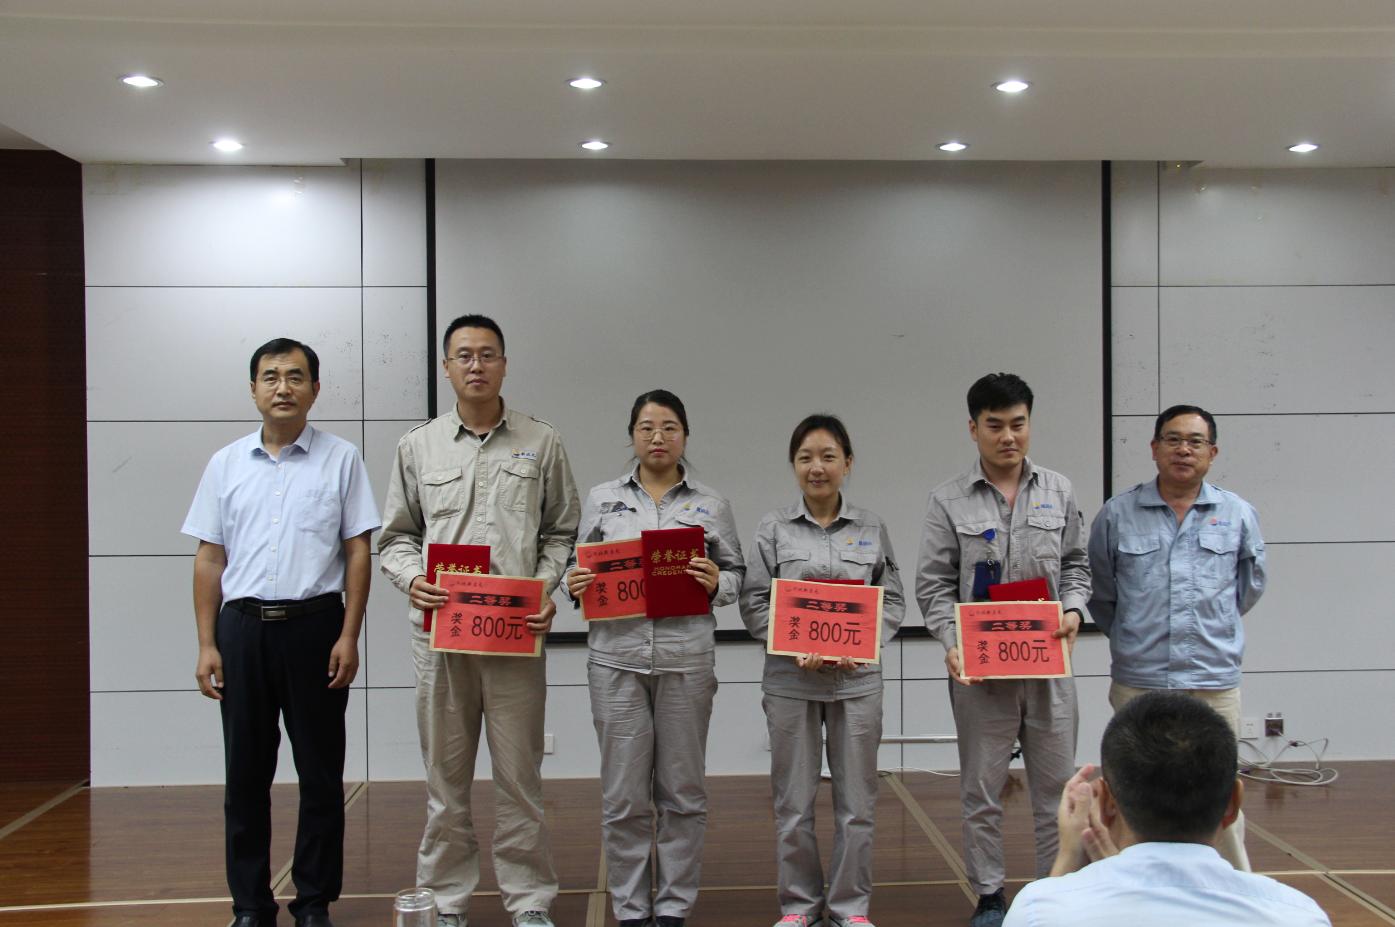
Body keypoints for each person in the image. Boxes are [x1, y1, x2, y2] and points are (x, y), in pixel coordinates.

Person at [379, 314, 580, 927]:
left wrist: (543, 587)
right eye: (463, 355)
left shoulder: (541, 441)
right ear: (446, 368)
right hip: (441, 640)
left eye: (487, 354)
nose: (475, 365)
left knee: (520, 779)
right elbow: (396, 538)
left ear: (504, 365)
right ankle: (445, 902)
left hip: (515, 637)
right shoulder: (418, 446)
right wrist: (412, 578)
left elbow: (561, 532)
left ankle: (530, 901)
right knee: (445, 781)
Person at [183, 338, 380, 927]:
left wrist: (349, 635)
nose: (282, 387)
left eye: (295, 376)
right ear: (253, 389)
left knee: (320, 774)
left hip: (315, 628)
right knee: (245, 775)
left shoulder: (341, 458)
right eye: (270, 376)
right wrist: (207, 643)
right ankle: (250, 904)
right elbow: (209, 558)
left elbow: (358, 550)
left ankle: (313, 902)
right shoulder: (225, 463)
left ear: (315, 389)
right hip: (242, 630)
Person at [915, 373, 1090, 927]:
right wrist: (951, 642)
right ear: (973, 429)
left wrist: (1073, 609)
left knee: (1056, 789)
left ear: (1029, 424)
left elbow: (1077, 565)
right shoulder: (947, 500)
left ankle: (1054, 893)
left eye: (1018, 424)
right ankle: (990, 896)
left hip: (1047, 667)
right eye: (995, 425)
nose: (1008, 436)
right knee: (982, 790)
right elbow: (933, 585)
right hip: (981, 672)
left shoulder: (1059, 490)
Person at [565, 389, 744, 927]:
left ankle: (672, 908)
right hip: (615, 661)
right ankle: (630, 909)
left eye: (669, 427)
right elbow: (575, 568)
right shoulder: (602, 499)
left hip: (685, 661)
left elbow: (737, 574)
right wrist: (574, 582)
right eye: (646, 427)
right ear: (632, 436)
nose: (658, 437)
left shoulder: (711, 504)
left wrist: (718, 582)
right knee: (623, 797)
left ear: (685, 435)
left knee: (682, 793)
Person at [740, 414, 905, 927]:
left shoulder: (872, 527)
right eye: (806, 457)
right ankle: (799, 907)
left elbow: (893, 600)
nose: (817, 467)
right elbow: (753, 601)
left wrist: (866, 643)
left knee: (857, 804)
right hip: (791, 682)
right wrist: (790, 645)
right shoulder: (773, 528)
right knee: (793, 802)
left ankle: (850, 908)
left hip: (857, 682)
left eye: (828, 456)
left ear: (847, 463)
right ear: (793, 465)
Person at [1086, 404, 1264, 870]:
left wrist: (1211, 627)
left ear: (1212, 452)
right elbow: (1102, 596)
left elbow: (1247, 589)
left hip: (1213, 677)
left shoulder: (1238, 514)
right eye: (1173, 439)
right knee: (1131, 792)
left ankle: (1233, 889)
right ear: (1154, 448)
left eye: (1195, 441)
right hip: (1140, 678)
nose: (1184, 450)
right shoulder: (1117, 514)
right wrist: (1134, 635)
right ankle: (1127, 889)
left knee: (1220, 793)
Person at [1003, 692, 1330, 927]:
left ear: (1105, 803)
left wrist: (1067, 858)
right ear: (1233, 803)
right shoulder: (1298, 915)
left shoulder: (1039, 911)